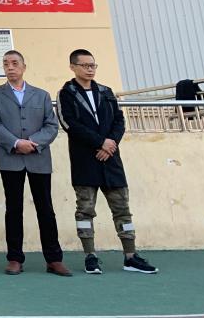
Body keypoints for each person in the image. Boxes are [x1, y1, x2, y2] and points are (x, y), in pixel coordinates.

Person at [57, 49, 157, 275]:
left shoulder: (106, 91)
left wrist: (110, 144)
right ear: (73, 67)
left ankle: (130, 257)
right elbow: (68, 123)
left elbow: (119, 121)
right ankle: (90, 256)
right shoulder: (66, 93)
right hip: (85, 161)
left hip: (111, 161)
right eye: (85, 65)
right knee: (85, 211)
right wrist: (100, 142)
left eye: (93, 65)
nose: (90, 69)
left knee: (122, 210)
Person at [0, 49, 70, 277]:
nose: (10, 67)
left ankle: (54, 259)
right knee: (13, 209)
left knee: (46, 209)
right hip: (10, 159)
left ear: (24, 67)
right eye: (6, 64)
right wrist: (15, 143)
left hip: (38, 158)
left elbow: (51, 125)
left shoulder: (41, 95)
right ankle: (14, 258)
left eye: (14, 63)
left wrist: (32, 142)